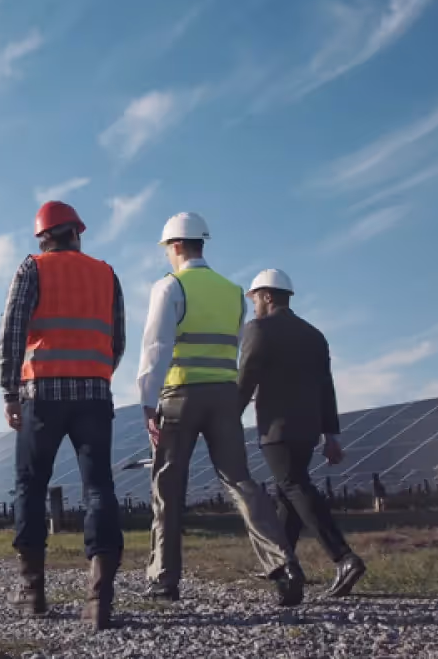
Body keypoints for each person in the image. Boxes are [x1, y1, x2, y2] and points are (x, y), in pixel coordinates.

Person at [136, 212, 304, 606]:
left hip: (180, 397)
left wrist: (147, 401)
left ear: (175, 246)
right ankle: (284, 564)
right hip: (225, 398)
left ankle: (164, 580)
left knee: (168, 485)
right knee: (240, 481)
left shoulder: (170, 286)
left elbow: (156, 349)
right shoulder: (232, 291)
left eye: (166, 250)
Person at [0, 200, 127, 630]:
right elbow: (118, 340)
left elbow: (12, 331)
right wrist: (97, 374)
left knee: (31, 487)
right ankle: (99, 597)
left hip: (42, 394)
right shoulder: (107, 274)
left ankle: (33, 591)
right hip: (94, 393)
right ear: (77, 231)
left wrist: (9, 391)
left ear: (42, 236)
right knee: (98, 487)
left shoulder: (32, 269)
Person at [238, 269, 367, 598]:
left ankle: (344, 557)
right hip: (308, 429)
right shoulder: (315, 335)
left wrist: (226, 417)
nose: (253, 307)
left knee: (294, 486)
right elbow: (327, 386)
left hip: (276, 428)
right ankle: (285, 572)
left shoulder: (259, 329)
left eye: (254, 299)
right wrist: (332, 434)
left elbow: (247, 376)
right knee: (288, 494)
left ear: (267, 296)